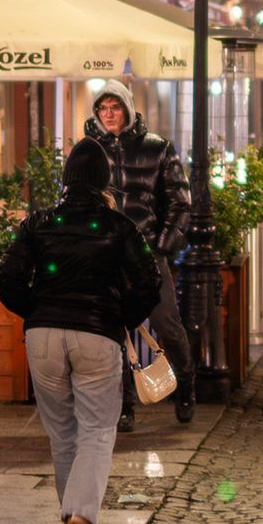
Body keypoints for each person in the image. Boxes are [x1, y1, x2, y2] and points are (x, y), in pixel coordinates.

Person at [0, 139, 163, 524]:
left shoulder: (38, 223)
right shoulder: (119, 227)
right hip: (96, 335)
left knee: (62, 433)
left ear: (67, 180)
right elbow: (150, 282)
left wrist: (35, 309)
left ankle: (71, 518)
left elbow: (8, 277)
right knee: (97, 430)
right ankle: (82, 523)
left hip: (43, 336)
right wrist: (120, 317)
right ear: (104, 181)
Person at [84, 83, 195, 431]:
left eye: (116, 107)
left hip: (148, 252)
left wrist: (162, 244)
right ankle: (124, 403)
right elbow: (74, 198)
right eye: (103, 108)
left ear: (128, 109)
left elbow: (180, 202)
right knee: (115, 331)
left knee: (166, 324)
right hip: (108, 255)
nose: (110, 114)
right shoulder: (89, 152)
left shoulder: (157, 149)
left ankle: (186, 385)